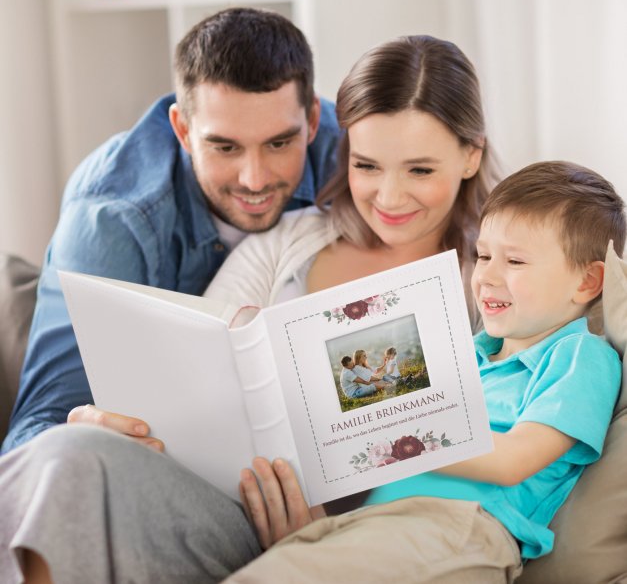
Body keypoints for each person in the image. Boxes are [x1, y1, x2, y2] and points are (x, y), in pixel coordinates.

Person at [0, 34, 500, 583]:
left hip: (353, 538)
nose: (389, 196)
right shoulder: (292, 239)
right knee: (70, 454)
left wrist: (320, 536)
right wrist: (112, 422)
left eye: (420, 171)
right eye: (367, 166)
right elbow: (193, 357)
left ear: (470, 154)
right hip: (213, 502)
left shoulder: (490, 282)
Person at [224, 161, 624, 583]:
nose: (486, 275)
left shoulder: (581, 356)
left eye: (515, 261)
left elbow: (513, 460)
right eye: (483, 255)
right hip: (373, 523)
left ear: (586, 282)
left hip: (460, 528)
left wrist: (395, 430)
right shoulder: (464, 352)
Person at [1, 7, 340, 454]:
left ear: (312, 120)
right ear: (182, 129)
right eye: (224, 147)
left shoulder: (355, 158)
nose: (254, 179)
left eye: (279, 143)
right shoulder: (112, 220)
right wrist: (79, 440)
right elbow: (30, 436)